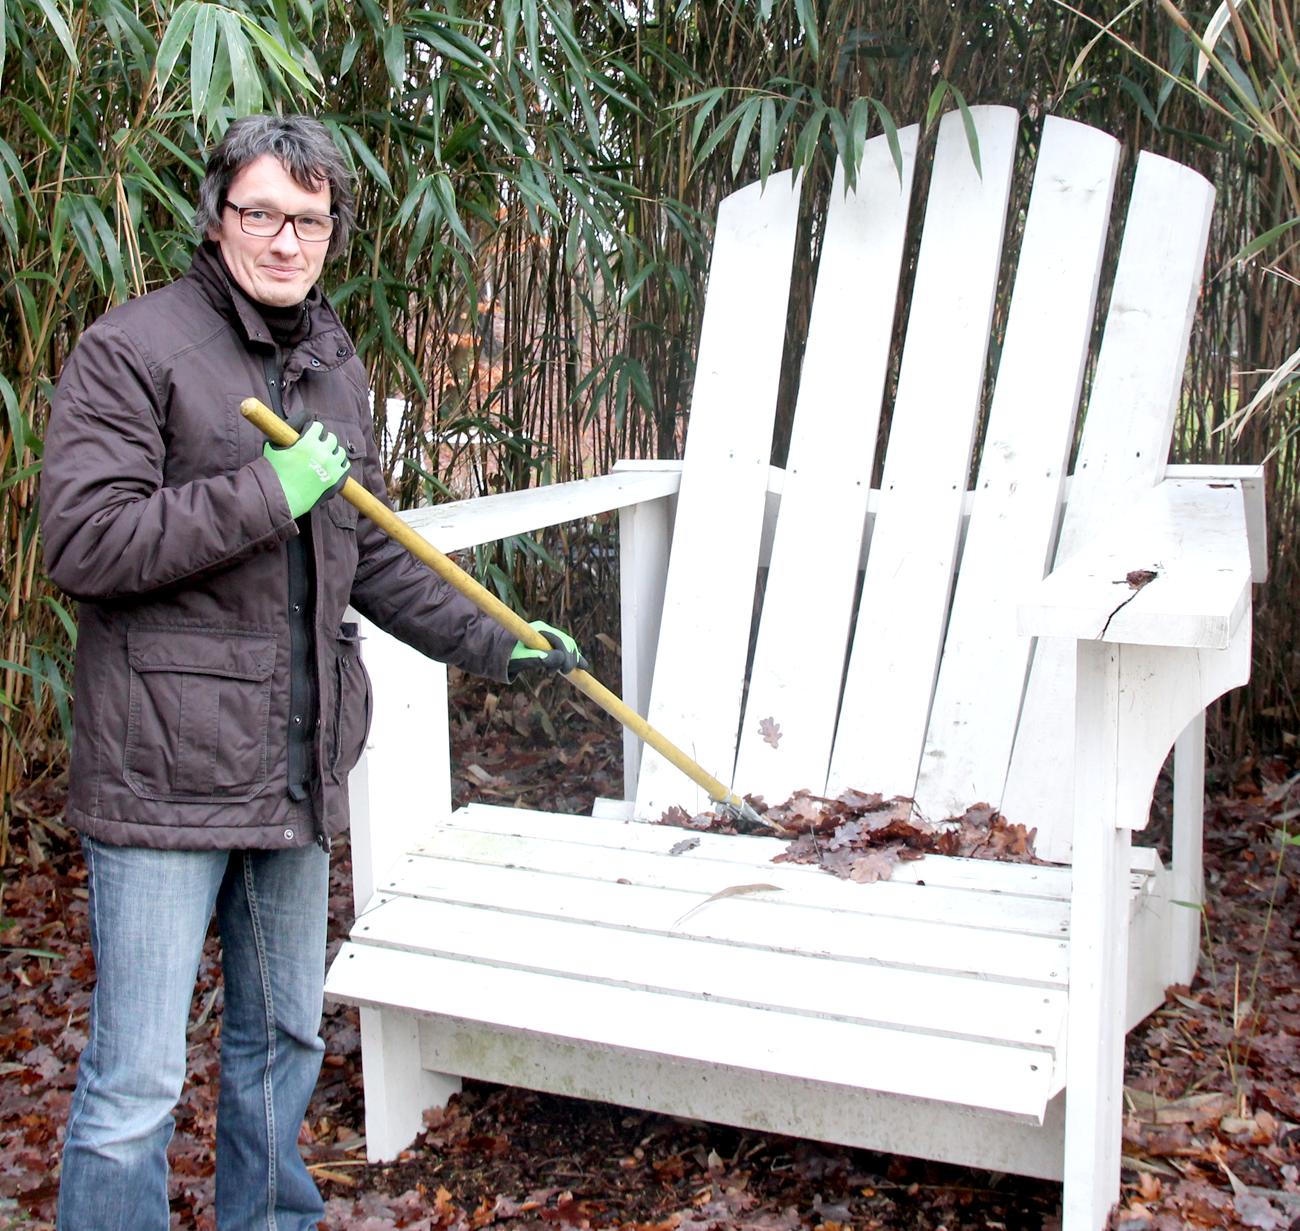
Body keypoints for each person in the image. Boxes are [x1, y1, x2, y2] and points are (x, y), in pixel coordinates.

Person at [40, 113, 584, 1231]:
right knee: (138, 1082)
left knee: (282, 1038)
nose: (286, 242)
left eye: (310, 220)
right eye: (262, 215)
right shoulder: (133, 349)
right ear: (216, 215)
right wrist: (261, 494)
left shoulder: (330, 362)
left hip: (294, 761)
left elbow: (368, 548)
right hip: (162, 772)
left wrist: (497, 638)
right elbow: (83, 543)